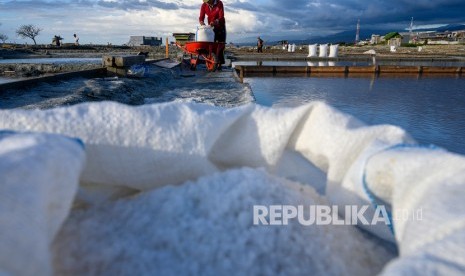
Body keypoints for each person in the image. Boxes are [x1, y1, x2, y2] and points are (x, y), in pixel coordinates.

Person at [199, 0, 226, 70]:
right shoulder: (204, 5)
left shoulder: (219, 3)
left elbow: (221, 16)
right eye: (206, 2)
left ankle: (220, 64)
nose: (207, 3)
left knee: (220, 45)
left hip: (220, 26)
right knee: (211, 45)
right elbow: (201, 17)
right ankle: (212, 62)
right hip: (211, 27)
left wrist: (215, 22)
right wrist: (202, 22)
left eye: (208, 1)